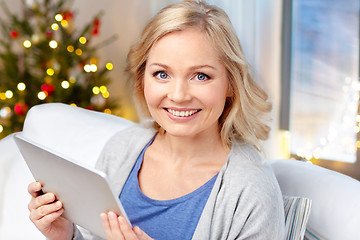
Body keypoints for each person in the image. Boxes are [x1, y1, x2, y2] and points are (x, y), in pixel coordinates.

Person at [27, 0, 285, 239]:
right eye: (162, 74)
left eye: (201, 76)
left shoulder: (252, 191)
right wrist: (67, 235)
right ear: (143, 78)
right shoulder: (123, 148)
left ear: (232, 84)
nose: (178, 95)